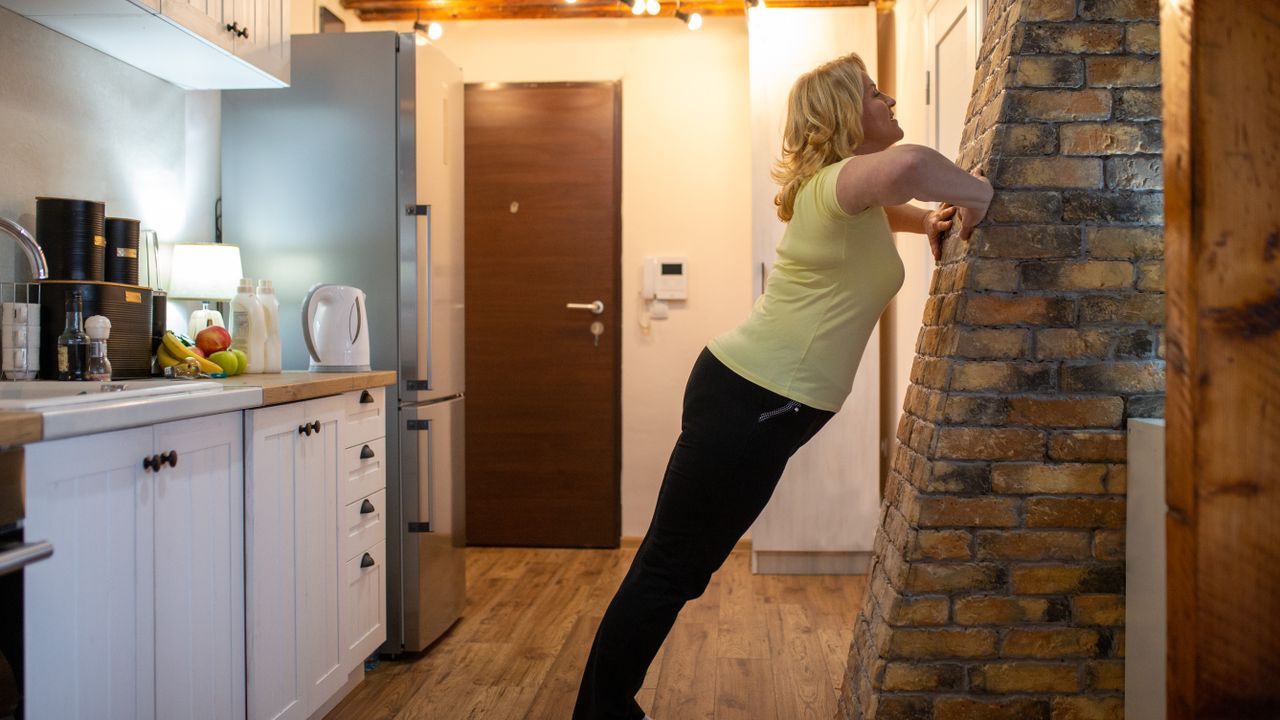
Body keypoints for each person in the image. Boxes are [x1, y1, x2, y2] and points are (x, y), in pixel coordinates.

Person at [572, 51, 994, 720]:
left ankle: (604, 709)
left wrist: (926, 221)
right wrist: (977, 195)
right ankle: (601, 713)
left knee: (676, 566)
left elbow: (886, 207)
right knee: (669, 569)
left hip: (748, 397)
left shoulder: (835, 191)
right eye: (873, 94)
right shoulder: (840, 185)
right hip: (751, 400)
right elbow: (911, 165)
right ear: (841, 116)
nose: (888, 101)